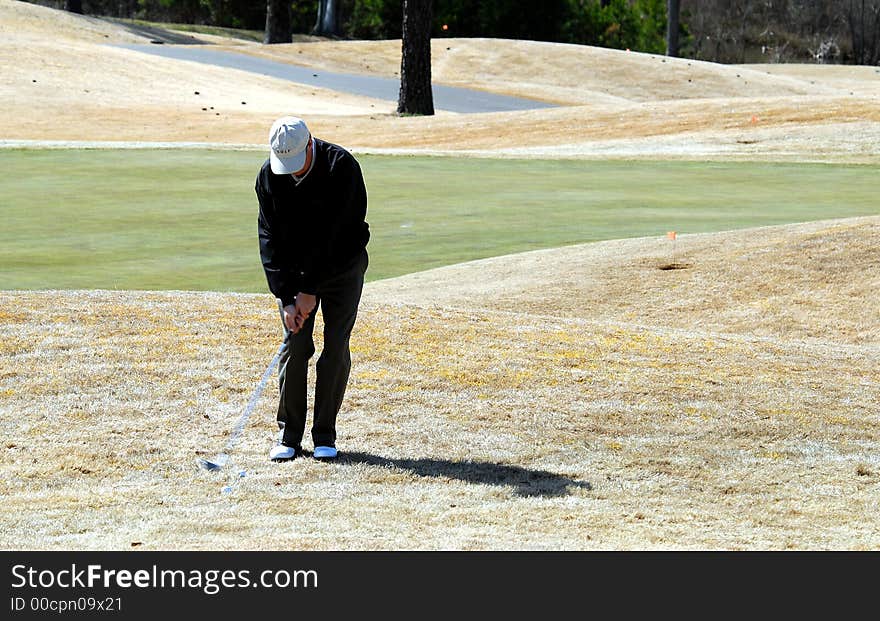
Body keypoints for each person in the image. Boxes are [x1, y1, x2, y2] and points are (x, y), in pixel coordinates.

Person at [255, 116, 370, 461]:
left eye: (295, 161)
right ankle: (289, 434)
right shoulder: (269, 176)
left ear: (310, 144)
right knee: (296, 344)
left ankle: (325, 435)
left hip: (342, 269)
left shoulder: (342, 168)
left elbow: (338, 237)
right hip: (294, 273)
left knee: (335, 345)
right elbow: (269, 238)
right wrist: (286, 296)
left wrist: (310, 288)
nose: (289, 171)